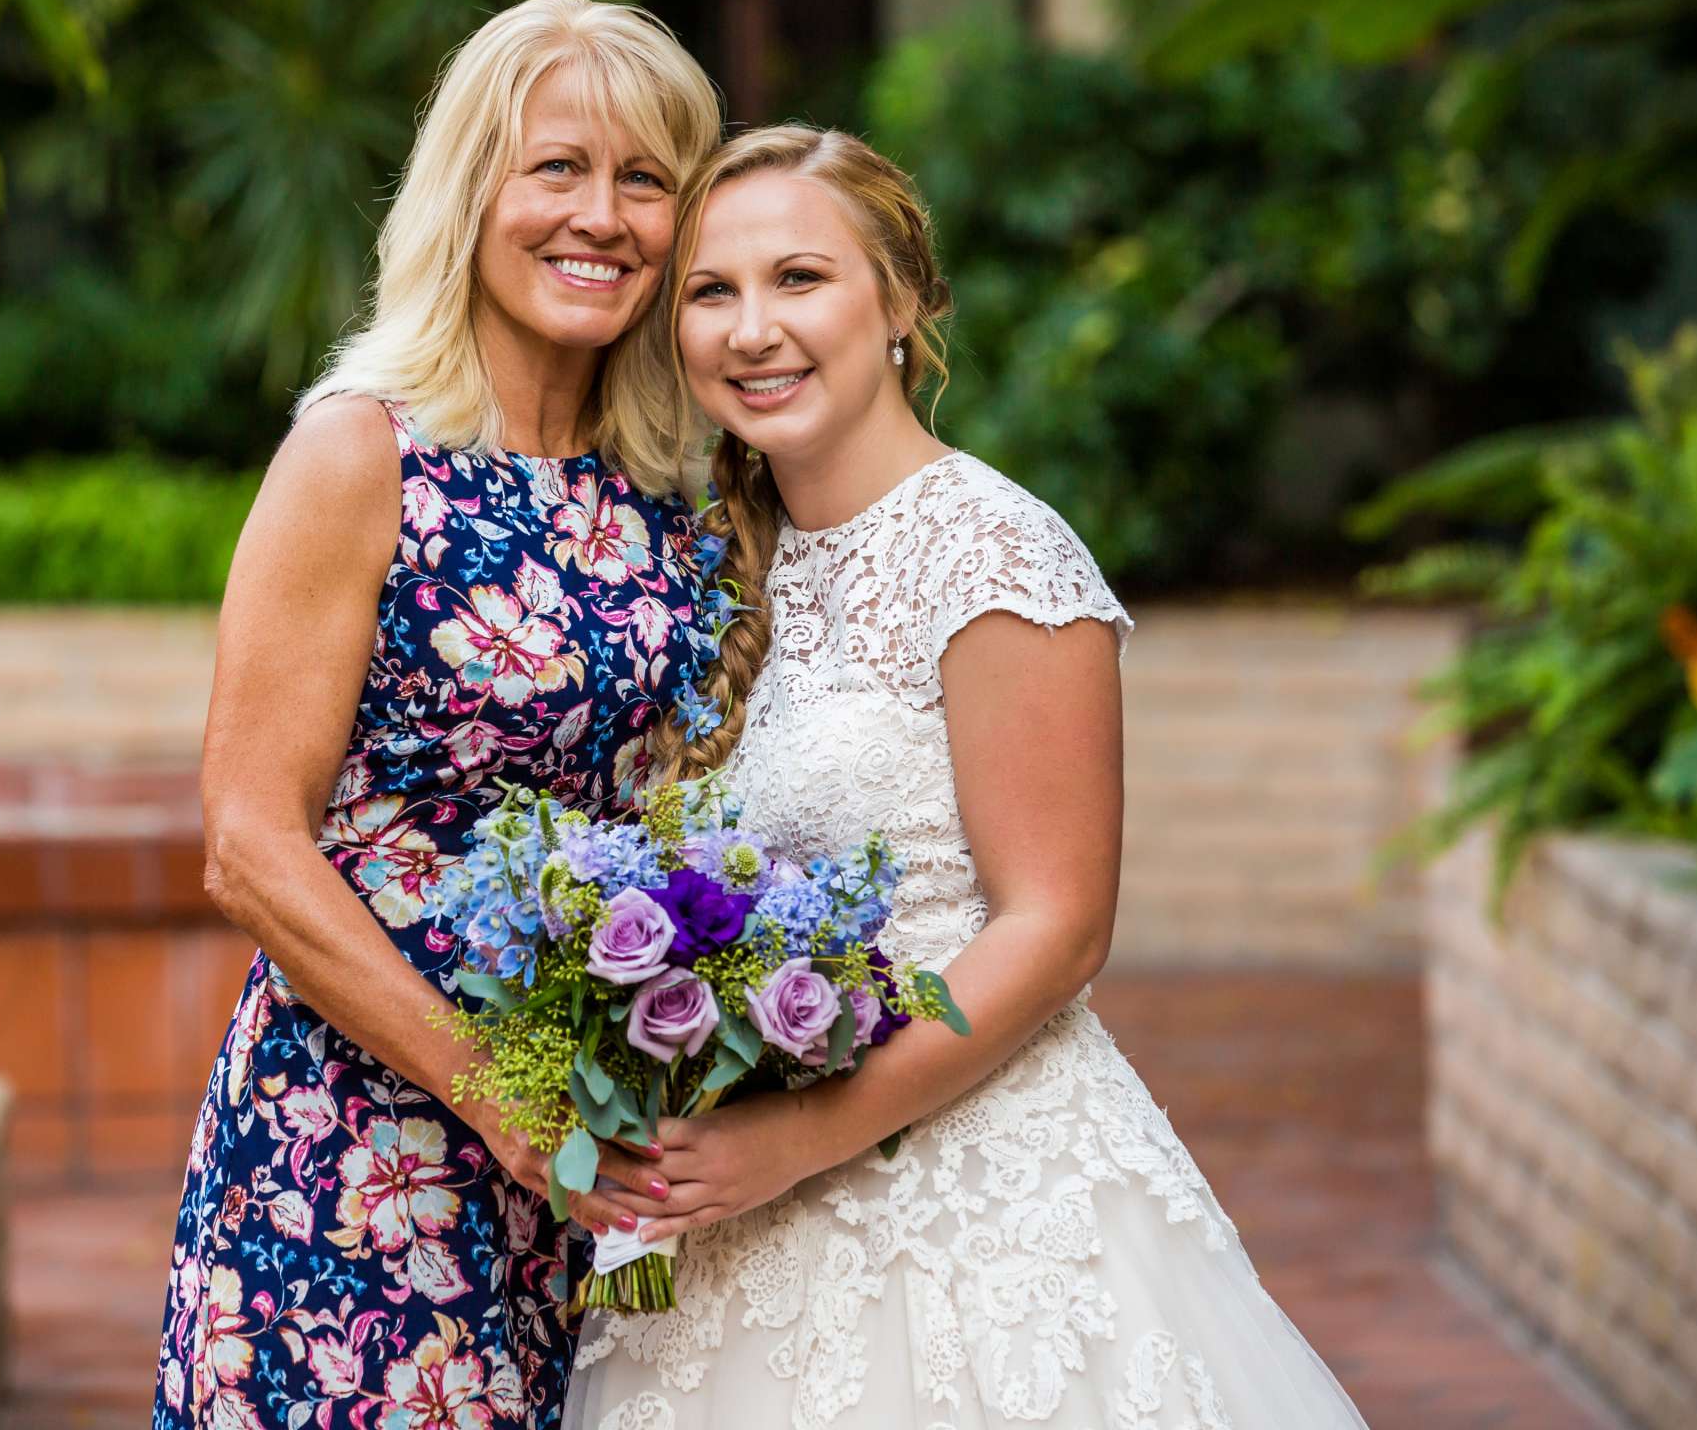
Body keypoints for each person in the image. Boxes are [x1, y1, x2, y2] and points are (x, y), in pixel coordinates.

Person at [567, 126, 1368, 1429]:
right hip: (724, 1237)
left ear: (900, 302)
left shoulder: (995, 551)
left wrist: (799, 1140)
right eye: (711, 293)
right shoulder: (706, 568)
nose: (752, 328)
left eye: (800, 279)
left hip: (969, 1205)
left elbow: (1057, 927)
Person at [154, 0, 722, 1430]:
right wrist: (497, 1099)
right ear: (472, 189)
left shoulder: (669, 491)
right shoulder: (362, 452)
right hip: (359, 1154)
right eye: (559, 170)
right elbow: (248, 843)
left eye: (646, 181)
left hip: (593, 1158)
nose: (602, 218)